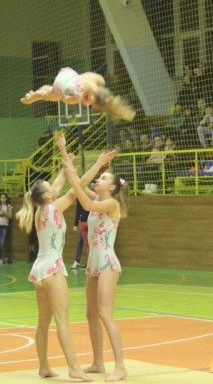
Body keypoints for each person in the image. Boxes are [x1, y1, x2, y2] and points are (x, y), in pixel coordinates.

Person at [16, 131, 114, 382]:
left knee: (43, 322)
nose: (54, 185)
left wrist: (64, 158)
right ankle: (74, 368)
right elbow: (76, 187)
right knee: (62, 320)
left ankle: (44, 367)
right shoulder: (53, 207)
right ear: (48, 196)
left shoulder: (42, 209)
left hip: (39, 269)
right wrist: (96, 163)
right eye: (50, 186)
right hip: (52, 268)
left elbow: (60, 184)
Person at [61, 157, 129, 382]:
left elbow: (88, 205)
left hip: (107, 262)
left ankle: (120, 366)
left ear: (112, 187)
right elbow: (79, 188)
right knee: (91, 314)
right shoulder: (98, 197)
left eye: (103, 178)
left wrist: (74, 180)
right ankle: (98, 362)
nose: (98, 180)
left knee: (105, 314)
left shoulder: (111, 204)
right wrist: (95, 164)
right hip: (94, 263)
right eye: (99, 177)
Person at [21, 67, 135, 122]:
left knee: (50, 93)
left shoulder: (99, 80)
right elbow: (69, 100)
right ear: (95, 99)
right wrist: (64, 98)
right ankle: (30, 98)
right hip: (62, 83)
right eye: (93, 103)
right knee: (50, 95)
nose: (90, 105)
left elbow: (87, 77)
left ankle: (33, 95)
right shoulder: (81, 93)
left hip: (69, 73)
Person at [71, 199, 89, 270]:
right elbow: (78, 210)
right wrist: (75, 224)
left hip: (92, 222)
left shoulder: (93, 196)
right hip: (83, 222)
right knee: (80, 241)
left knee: (90, 243)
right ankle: (77, 261)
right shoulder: (79, 198)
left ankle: (90, 262)